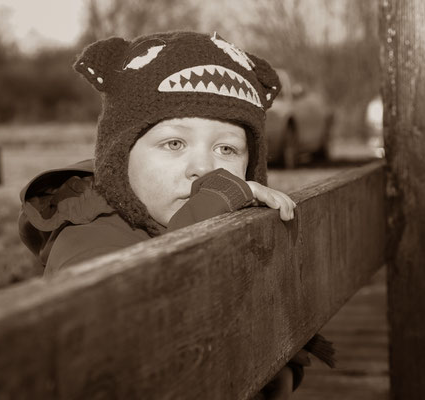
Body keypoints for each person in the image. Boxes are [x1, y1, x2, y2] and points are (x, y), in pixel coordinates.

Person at [18, 31, 333, 399]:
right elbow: (140, 340)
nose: (203, 168)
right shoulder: (87, 242)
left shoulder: (244, 228)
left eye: (227, 148)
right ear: (119, 157)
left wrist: (283, 365)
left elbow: (269, 312)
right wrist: (212, 205)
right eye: (174, 143)